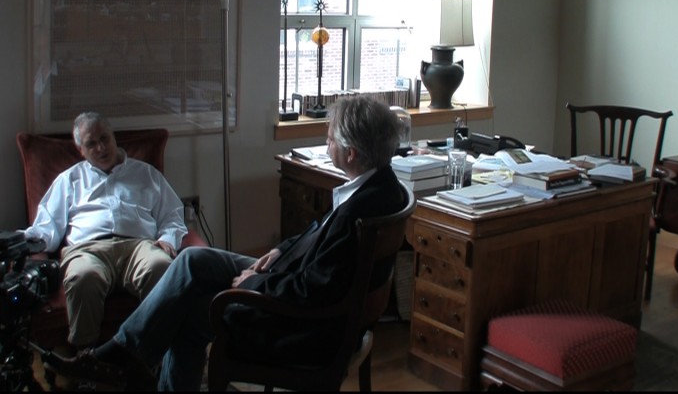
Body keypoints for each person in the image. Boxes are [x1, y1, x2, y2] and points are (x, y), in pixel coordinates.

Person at [48, 94, 410, 391]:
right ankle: (124, 355)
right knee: (193, 261)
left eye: (330, 139)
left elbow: (314, 290)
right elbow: (317, 233)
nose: (325, 143)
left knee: (188, 316)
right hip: (289, 276)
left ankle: (122, 360)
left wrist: (255, 283)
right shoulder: (379, 187)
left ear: (352, 153)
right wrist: (278, 250)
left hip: (300, 324)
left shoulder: (359, 212)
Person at [25, 111, 188, 351]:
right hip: (87, 250)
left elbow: (173, 215)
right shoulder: (69, 179)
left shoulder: (146, 173)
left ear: (113, 137)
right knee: (83, 277)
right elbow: (46, 227)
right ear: (81, 150)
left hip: (139, 247)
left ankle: (156, 353)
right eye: (91, 143)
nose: (101, 148)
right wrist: (22, 243)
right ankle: (86, 358)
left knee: (160, 267)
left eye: (104, 139)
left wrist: (168, 239)